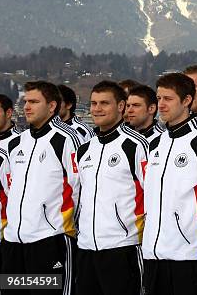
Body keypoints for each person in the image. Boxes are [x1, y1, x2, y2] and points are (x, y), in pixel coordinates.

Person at [142, 73, 197, 295]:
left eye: (168, 99)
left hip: (189, 253)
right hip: (153, 252)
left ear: (186, 101)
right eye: (158, 98)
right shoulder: (155, 143)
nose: (161, 105)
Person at [2, 81, 80, 295]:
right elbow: (11, 189)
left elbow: (79, 188)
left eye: (34, 102)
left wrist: (66, 227)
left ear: (52, 106)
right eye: (25, 101)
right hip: (14, 242)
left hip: (48, 240)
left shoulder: (66, 139)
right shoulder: (16, 143)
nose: (26, 106)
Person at [75, 81, 148, 295]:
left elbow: (152, 195)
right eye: (94, 103)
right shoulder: (85, 149)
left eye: (104, 103)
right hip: (87, 247)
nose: (97, 109)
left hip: (122, 246)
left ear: (121, 106)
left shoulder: (135, 145)